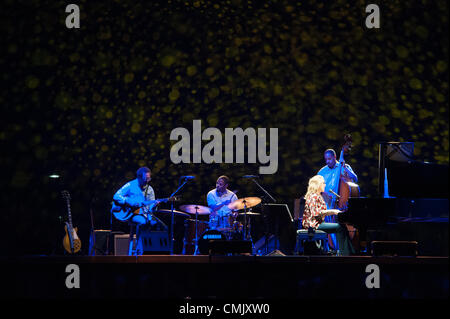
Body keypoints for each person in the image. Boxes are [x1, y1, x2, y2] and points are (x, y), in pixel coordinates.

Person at [111, 166, 163, 254]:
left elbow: (150, 208)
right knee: (142, 222)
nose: (147, 181)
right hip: (131, 214)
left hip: (144, 213)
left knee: (156, 223)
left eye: (148, 178)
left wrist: (154, 206)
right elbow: (116, 196)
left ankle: (147, 249)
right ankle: (139, 249)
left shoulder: (150, 190)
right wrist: (129, 202)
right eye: (145, 178)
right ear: (139, 177)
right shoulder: (130, 185)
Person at [301, 175, 355, 256]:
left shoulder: (318, 196)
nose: (325, 185)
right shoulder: (313, 196)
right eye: (323, 183)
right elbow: (316, 213)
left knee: (341, 227)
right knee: (339, 227)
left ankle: (350, 252)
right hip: (313, 226)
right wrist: (333, 211)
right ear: (318, 184)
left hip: (318, 224)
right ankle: (345, 254)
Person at [318, 148, 358, 251]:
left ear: (335, 157)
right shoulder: (322, 171)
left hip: (341, 205)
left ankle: (344, 249)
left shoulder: (343, 167)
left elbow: (355, 179)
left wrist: (346, 168)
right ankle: (328, 249)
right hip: (327, 206)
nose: (327, 161)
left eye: (330, 159)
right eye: (326, 159)